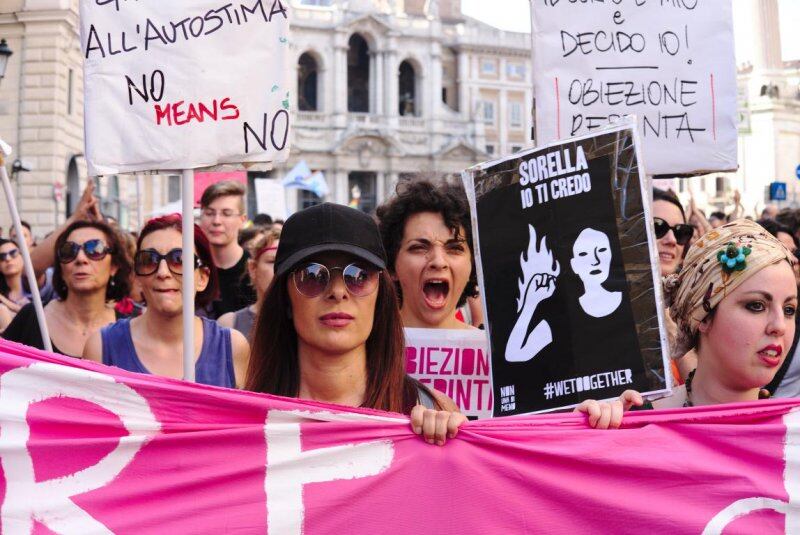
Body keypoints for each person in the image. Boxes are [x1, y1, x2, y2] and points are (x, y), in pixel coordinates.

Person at [246, 203, 635, 443]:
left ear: (380, 291)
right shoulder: (237, 416)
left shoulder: (431, 408)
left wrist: (589, 427)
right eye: (312, 275)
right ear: (283, 297)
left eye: (358, 275)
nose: (337, 291)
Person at [83, 214, 250, 388]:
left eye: (179, 260)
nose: (162, 272)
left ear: (202, 277)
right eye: (149, 260)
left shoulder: (231, 348)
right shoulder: (101, 348)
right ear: (138, 277)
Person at [650, 219, 797, 408]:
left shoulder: (792, 428)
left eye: (789, 310)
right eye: (756, 306)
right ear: (703, 316)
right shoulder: (636, 422)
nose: (779, 326)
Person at [2, 220, 132, 356]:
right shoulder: (32, 317)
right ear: (61, 268)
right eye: (69, 251)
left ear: (114, 266)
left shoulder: (130, 332)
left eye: (94, 249)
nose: (80, 258)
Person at [376, 180, 478, 330]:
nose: (438, 261)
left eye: (454, 248)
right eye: (419, 248)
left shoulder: (494, 351)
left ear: (473, 265)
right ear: (391, 267)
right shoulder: (362, 349)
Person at [652, 188, 695, 384]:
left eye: (680, 232)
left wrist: (675, 336)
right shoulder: (606, 306)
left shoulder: (699, 306)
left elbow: (699, 389)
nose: (671, 241)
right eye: (657, 227)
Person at [197, 181, 256, 318]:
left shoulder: (255, 271)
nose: (216, 221)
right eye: (209, 213)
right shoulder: (191, 268)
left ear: (242, 220)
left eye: (226, 213)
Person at [218, 229, 280, 340]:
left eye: (286, 261)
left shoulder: (305, 322)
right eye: (272, 261)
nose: (280, 269)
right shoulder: (229, 325)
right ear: (253, 268)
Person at [0, 239, 27, 331]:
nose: (8, 259)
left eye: (13, 253)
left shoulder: (39, 287)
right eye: (2, 257)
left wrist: (8, 303)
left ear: (23, 256)